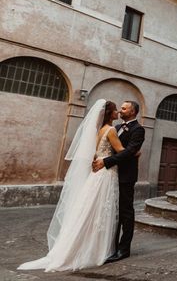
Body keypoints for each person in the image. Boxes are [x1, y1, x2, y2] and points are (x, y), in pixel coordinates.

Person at [18, 100, 125, 272]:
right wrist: (135, 151)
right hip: (106, 173)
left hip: (95, 173)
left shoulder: (97, 130)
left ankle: (77, 244)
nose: (118, 112)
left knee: (89, 209)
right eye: (115, 110)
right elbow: (121, 151)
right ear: (108, 113)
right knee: (99, 210)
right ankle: (95, 249)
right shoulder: (111, 130)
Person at [92, 100, 145, 263]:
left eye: (124, 108)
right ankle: (110, 247)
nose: (121, 111)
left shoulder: (138, 129)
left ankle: (124, 249)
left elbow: (129, 151)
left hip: (125, 176)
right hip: (110, 175)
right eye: (119, 108)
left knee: (125, 212)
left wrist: (106, 161)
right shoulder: (115, 128)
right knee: (112, 213)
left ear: (133, 112)